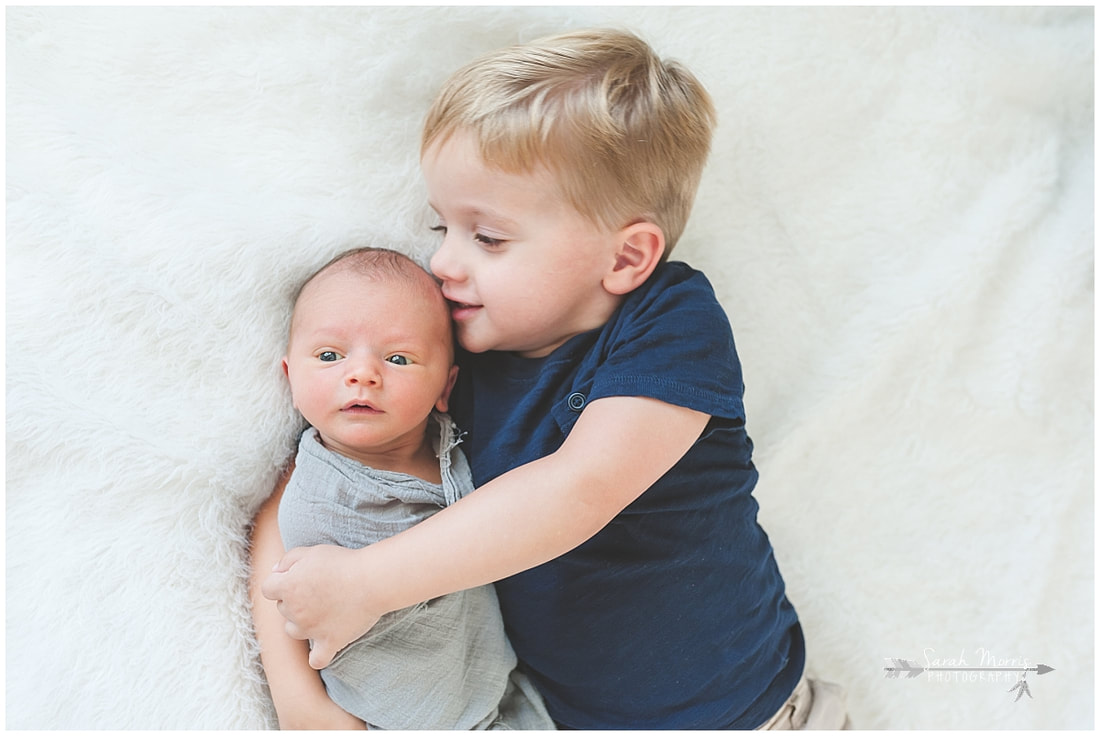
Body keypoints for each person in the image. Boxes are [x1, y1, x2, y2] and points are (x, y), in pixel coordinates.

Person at [254, 29, 850, 729]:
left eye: (488, 237)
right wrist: (302, 700)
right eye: (440, 225)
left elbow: (579, 490)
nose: (443, 261)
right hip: (553, 713)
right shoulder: (448, 357)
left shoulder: (667, 323)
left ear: (626, 257)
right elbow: (306, 485)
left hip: (739, 712)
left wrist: (368, 583)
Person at [250, 247, 553, 730]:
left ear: (445, 388)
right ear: (290, 377)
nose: (362, 374)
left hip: (498, 699)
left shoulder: (458, 446)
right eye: (329, 356)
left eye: (397, 358)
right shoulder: (316, 491)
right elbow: (280, 589)